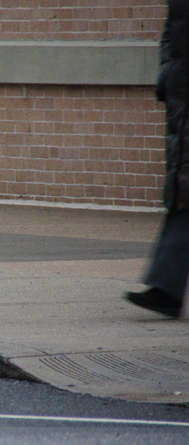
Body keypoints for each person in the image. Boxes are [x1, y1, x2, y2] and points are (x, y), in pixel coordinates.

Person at [126, 0, 189, 318]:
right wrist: (169, 70)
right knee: (182, 190)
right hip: (181, 91)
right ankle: (166, 288)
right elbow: (172, 31)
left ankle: (166, 288)